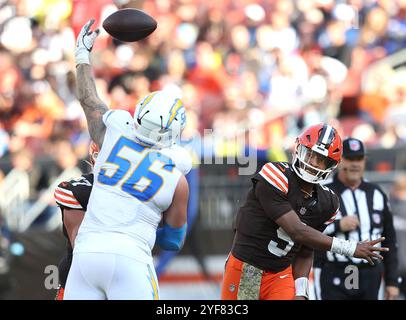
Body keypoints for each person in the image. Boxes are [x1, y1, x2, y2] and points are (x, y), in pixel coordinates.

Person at [63, 20, 190, 300]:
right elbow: (173, 241)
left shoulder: (113, 135)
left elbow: (89, 100)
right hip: (131, 259)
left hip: (86, 255)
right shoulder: (176, 177)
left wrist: (82, 56)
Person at [221, 124, 388, 300]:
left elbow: (306, 251)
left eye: (321, 159)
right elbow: (297, 231)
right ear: (298, 149)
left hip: (280, 274)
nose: (313, 162)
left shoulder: (328, 202)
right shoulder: (275, 175)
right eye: (310, 154)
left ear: (331, 165)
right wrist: (350, 248)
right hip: (247, 268)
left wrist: (301, 292)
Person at [313, 138, 400, 300]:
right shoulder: (324, 192)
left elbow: (390, 239)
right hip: (334, 272)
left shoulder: (377, 193)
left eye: (359, 159)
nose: (355, 164)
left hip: (370, 274)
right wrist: (338, 225)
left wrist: (392, 281)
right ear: (339, 161)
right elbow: (307, 232)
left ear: (365, 161)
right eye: (350, 159)